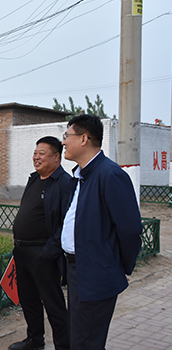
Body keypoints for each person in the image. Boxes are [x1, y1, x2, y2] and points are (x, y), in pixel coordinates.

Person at [60, 114, 142, 349]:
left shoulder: (110, 175)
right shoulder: (82, 175)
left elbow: (130, 230)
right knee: (79, 338)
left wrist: (121, 266)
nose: (63, 142)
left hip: (96, 273)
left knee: (86, 342)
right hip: (78, 270)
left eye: (67, 136)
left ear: (84, 139)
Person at [8, 136, 70, 350]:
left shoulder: (65, 183)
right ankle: (35, 340)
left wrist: (48, 252)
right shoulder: (34, 178)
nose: (36, 157)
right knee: (29, 300)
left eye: (41, 153)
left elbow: (66, 223)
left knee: (53, 304)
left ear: (56, 157)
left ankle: (64, 345)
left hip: (44, 253)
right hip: (22, 250)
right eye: (35, 153)